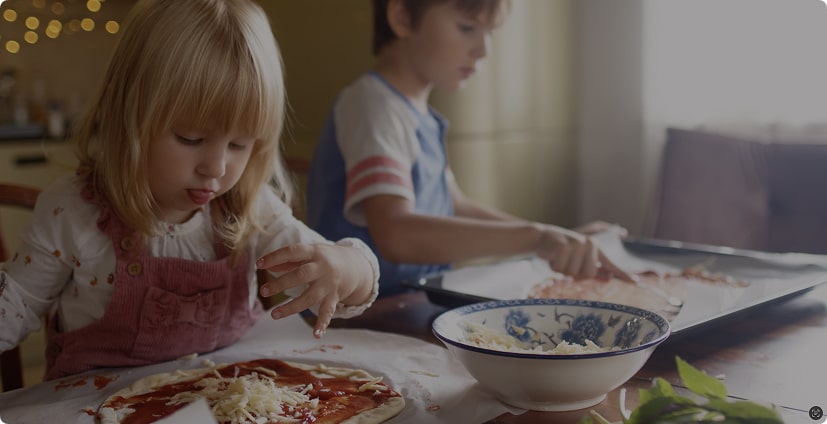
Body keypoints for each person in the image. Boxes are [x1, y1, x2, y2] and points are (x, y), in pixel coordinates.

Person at [0, 0, 378, 380]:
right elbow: (13, 309)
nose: (215, 168)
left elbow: (334, 269)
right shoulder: (72, 212)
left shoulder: (249, 206)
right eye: (190, 137)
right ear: (124, 110)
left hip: (224, 401)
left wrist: (350, 269)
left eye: (239, 145)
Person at [306, 0, 631, 296]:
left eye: (489, 33)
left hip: (408, 302)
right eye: (467, 28)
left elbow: (455, 203)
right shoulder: (373, 106)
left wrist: (554, 239)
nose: (483, 50)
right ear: (402, 16)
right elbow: (396, 234)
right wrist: (536, 237)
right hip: (357, 314)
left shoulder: (420, 116)